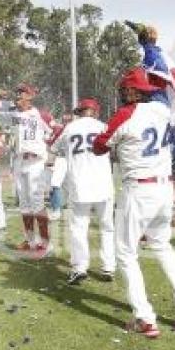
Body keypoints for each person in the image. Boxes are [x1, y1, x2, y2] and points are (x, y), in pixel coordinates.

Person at [92, 67, 175, 338]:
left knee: (125, 253)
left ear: (134, 91)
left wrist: (118, 144)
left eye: (124, 89)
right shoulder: (163, 110)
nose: (122, 93)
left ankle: (144, 318)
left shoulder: (126, 113)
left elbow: (98, 146)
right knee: (162, 246)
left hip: (138, 188)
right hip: (164, 187)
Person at [51, 98, 116, 285]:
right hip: (103, 184)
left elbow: (53, 148)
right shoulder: (104, 127)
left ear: (80, 112)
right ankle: (108, 267)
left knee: (79, 228)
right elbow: (115, 150)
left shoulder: (69, 128)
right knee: (107, 227)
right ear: (96, 112)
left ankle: (80, 267)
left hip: (80, 185)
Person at [7, 84, 54, 257]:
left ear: (30, 96)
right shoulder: (14, 113)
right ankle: (30, 240)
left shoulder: (41, 114)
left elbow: (55, 131)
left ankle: (46, 243)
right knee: (24, 205)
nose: (18, 95)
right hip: (20, 161)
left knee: (37, 203)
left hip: (36, 162)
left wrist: (49, 150)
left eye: (22, 93)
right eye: (17, 92)